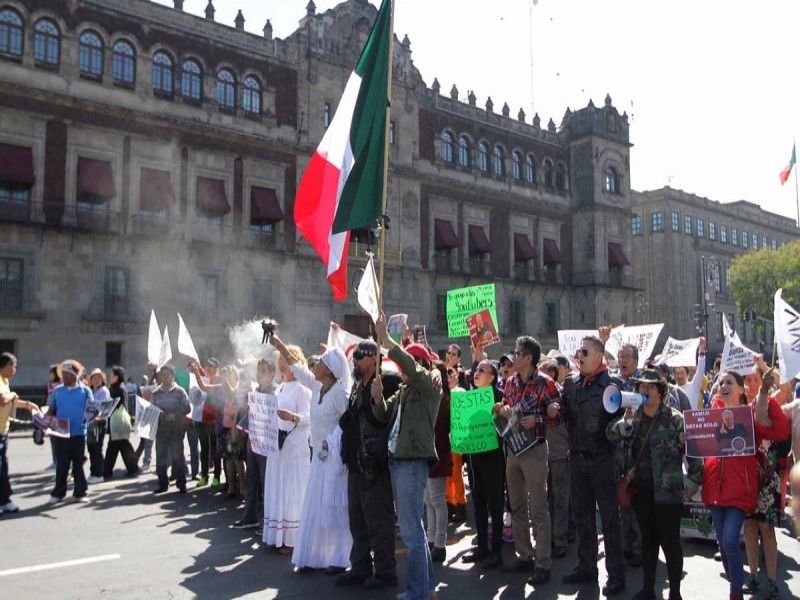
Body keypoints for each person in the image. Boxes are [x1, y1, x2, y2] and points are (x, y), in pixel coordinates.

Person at [607, 369, 703, 600]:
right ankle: (648, 589)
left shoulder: (675, 418)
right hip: (641, 491)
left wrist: (691, 481)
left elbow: (695, 451)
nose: (645, 390)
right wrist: (624, 423)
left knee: (670, 544)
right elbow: (610, 435)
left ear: (660, 392)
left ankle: (675, 594)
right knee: (648, 542)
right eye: (641, 387)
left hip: (668, 492)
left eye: (650, 387)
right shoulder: (633, 417)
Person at [371, 313, 442, 600]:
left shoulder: (427, 385)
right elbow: (383, 415)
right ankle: (428, 587)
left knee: (411, 533)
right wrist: (377, 397)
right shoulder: (404, 390)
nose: (400, 367)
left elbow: (411, 367)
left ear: (421, 363)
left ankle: (418, 592)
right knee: (415, 529)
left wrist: (387, 342)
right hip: (399, 459)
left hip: (411, 462)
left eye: (406, 362)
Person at [701, 369, 789, 600]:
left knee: (730, 539)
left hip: (740, 489)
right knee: (722, 542)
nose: (723, 385)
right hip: (715, 488)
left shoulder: (749, 414)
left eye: (729, 382)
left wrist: (764, 394)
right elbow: (699, 442)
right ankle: (735, 580)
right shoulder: (711, 413)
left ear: (741, 390)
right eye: (720, 382)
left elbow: (773, 426)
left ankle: (736, 592)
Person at [271, 335, 352, 573]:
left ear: (330, 370)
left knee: (335, 510)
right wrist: (279, 343)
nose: (314, 367)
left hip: (335, 460)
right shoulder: (318, 387)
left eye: (321, 364)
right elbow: (297, 365)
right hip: (318, 458)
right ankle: (312, 556)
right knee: (314, 508)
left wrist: (332, 441)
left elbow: (349, 421)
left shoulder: (339, 392)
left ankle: (339, 558)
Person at [556, 335, 626, 596]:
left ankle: (616, 575)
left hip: (603, 459)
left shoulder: (614, 384)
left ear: (599, 355)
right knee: (583, 518)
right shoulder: (572, 384)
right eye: (578, 351)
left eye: (584, 351)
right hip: (578, 458)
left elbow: (622, 426)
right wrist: (555, 409)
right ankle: (586, 567)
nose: (579, 355)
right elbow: (565, 413)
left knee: (610, 520)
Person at [335, 338, 401, 591]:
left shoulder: (388, 379)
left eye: (361, 356)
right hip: (356, 461)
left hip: (375, 461)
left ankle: (386, 572)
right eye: (355, 356)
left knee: (379, 520)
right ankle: (360, 567)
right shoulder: (356, 384)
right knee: (357, 519)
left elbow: (392, 416)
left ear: (373, 357)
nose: (356, 360)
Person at [494, 336, 558, 586]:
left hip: (535, 450)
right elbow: (507, 406)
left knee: (538, 510)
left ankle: (543, 563)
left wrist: (539, 420)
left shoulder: (545, 382)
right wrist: (503, 408)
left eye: (517, 353)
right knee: (518, 505)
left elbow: (559, 412)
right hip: (513, 449)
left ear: (528, 358)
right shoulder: (509, 381)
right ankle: (524, 555)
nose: (513, 356)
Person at [742, 369, 793, 599]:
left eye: (756, 380)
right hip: (745, 476)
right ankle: (753, 575)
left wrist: (764, 392)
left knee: (767, 529)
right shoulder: (737, 407)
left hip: (766, 478)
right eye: (748, 380)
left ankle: (771, 580)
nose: (752, 384)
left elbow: (772, 425)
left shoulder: (770, 404)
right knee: (750, 527)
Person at [262, 343, 312, 554]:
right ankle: (278, 534)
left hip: (295, 446)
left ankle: (293, 538)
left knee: (292, 491)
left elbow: (310, 417)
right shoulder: (281, 387)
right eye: (279, 360)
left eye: (284, 359)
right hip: (279, 447)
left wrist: (291, 417)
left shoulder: (302, 388)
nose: (281, 364)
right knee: (279, 488)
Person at [462, 358, 505, 570]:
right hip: (474, 458)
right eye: (476, 370)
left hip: (493, 459)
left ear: (492, 378)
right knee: (478, 503)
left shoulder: (499, 398)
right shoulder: (469, 398)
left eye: (482, 370)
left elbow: (506, 428)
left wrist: (501, 413)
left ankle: (496, 551)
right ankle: (482, 547)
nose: (476, 373)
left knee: (495, 506)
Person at [234, 359, 277, 534]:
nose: (259, 373)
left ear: (272, 373)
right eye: (259, 370)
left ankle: (265, 522)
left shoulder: (276, 391)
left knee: (266, 483)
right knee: (251, 480)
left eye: (263, 370)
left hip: (267, 445)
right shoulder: (257, 391)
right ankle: (249, 517)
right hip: (254, 441)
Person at [47, 360, 94, 505]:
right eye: (63, 374)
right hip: (60, 433)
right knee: (62, 464)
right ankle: (58, 493)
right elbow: (51, 410)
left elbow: (92, 410)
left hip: (79, 433)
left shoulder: (85, 391)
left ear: (75, 375)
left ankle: (80, 493)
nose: (64, 377)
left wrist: (96, 417)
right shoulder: (57, 391)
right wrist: (45, 419)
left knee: (78, 464)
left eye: (67, 374)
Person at [0, 353, 40, 515]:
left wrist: (28, 405)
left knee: (3, 467)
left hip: (3, 430)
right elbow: (3, 399)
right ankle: (4, 500)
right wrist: (13, 395)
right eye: (14, 366)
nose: (15, 370)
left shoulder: (5, 381)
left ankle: (4, 500)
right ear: (7, 365)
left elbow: (10, 400)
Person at [150, 365, 191, 494]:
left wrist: (175, 415)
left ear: (173, 376)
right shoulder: (155, 393)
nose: (165, 377)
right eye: (163, 375)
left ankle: (181, 483)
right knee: (161, 457)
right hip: (161, 429)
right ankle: (163, 484)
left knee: (177, 457)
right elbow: (151, 410)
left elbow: (187, 408)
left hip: (176, 428)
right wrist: (160, 415)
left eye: (168, 374)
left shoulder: (180, 391)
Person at [426, 364, 452, 564]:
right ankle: (431, 538)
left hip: (438, 454)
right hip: (427, 454)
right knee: (429, 501)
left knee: (437, 500)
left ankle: (440, 544)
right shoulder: (433, 397)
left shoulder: (444, 399)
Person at [190, 357, 223, 488]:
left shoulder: (220, 383)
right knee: (204, 449)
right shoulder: (200, 379)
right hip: (201, 419)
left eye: (211, 366)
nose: (208, 368)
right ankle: (204, 476)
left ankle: (216, 476)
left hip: (215, 420)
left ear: (217, 369)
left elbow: (205, 388)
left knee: (215, 450)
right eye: (207, 366)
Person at [103, 366, 139, 480]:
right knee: (123, 445)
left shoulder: (117, 388)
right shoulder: (118, 387)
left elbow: (116, 404)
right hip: (119, 420)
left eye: (112, 375)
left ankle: (107, 470)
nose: (110, 377)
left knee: (114, 447)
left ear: (116, 377)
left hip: (117, 420)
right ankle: (133, 468)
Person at [217, 366, 247, 500]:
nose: (227, 377)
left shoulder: (240, 390)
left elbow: (241, 408)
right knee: (228, 458)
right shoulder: (223, 391)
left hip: (235, 429)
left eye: (230, 374)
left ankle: (242, 486)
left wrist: (233, 413)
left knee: (237, 459)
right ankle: (231, 487)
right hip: (224, 428)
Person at [86, 368, 109, 484]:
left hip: (99, 423)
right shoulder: (90, 391)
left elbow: (104, 407)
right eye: (94, 378)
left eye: (98, 378)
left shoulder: (104, 391)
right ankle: (93, 472)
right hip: (90, 422)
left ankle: (99, 473)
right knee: (91, 448)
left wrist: (98, 416)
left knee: (97, 448)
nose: (96, 380)